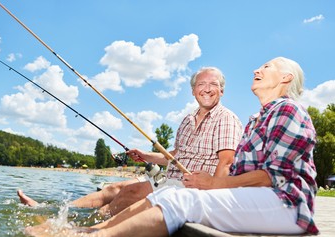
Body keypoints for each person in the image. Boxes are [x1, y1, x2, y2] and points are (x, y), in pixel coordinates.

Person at [24, 57, 319, 237]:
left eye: (266, 67)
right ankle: (82, 231)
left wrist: (214, 185)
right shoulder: (260, 117)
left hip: (288, 205)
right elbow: (179, 156)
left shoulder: (288, 110)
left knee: (179, 197)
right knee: (162, 193)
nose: (257, 69)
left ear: (285, 78)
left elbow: (270, 176)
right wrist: (149, 156)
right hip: (265, 197)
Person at [18, 66, 243, 217]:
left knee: (130, 193)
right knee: (113, 188)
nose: (206, 89)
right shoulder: (187, 119)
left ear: (221, 90)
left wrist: (212, 199)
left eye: (213, 84)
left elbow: (226, 163)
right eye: (201, 84)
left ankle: (77, 226)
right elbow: (175, 157)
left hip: (195, 190)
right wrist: (146, 156)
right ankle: (53, 210)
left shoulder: (227, 119)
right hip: (169, 181)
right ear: (193, 90)